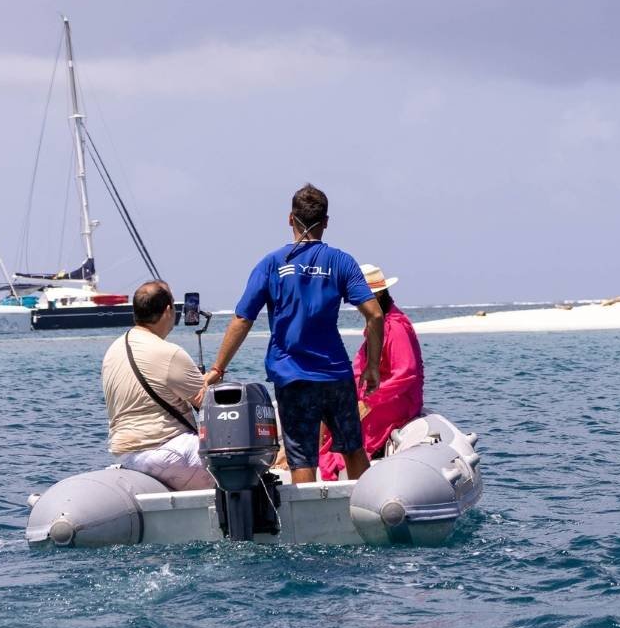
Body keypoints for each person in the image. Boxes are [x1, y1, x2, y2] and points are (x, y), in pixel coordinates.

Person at [204, 183, 386, 484]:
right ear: (326, 222)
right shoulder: (342, 262)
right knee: (353, 449)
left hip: (293, 377)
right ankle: (366, 509)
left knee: (302, 458)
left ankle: (310, 526)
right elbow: (375, 314)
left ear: (290, 219)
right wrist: (372, 366)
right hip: (335, 374)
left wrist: (217, 368)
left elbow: (242, 319)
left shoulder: (272, 263)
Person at [100, 280, 212, 491]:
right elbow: (209, 404)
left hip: (128, 458)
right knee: (241, 461)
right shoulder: (169, 352)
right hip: (171, 454)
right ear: (168, 310)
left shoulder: (113, 351)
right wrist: (213, 380)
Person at [317, 264, 424, 480]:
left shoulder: (395, 327)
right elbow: (359, 370)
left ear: (379, 295)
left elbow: (406, 373)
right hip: (377, 394)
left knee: (350, 427)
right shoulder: (378, 325)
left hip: (396, 398)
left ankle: (342, 467)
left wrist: (370, 401)